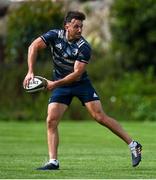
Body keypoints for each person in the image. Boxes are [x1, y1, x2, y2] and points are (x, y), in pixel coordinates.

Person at [23, 11, 142, 170]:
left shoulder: (84, 47)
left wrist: (54, 84)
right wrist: (30, 71)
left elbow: (76, 74)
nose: (80, 30)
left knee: (99, 116)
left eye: (81, 27)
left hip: (80, 84)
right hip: (60, 84)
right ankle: (53, 161)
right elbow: (33, 46)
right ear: (67, 26)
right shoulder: (54, 35)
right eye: (76, 26)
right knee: (51, 120)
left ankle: (134, 145)